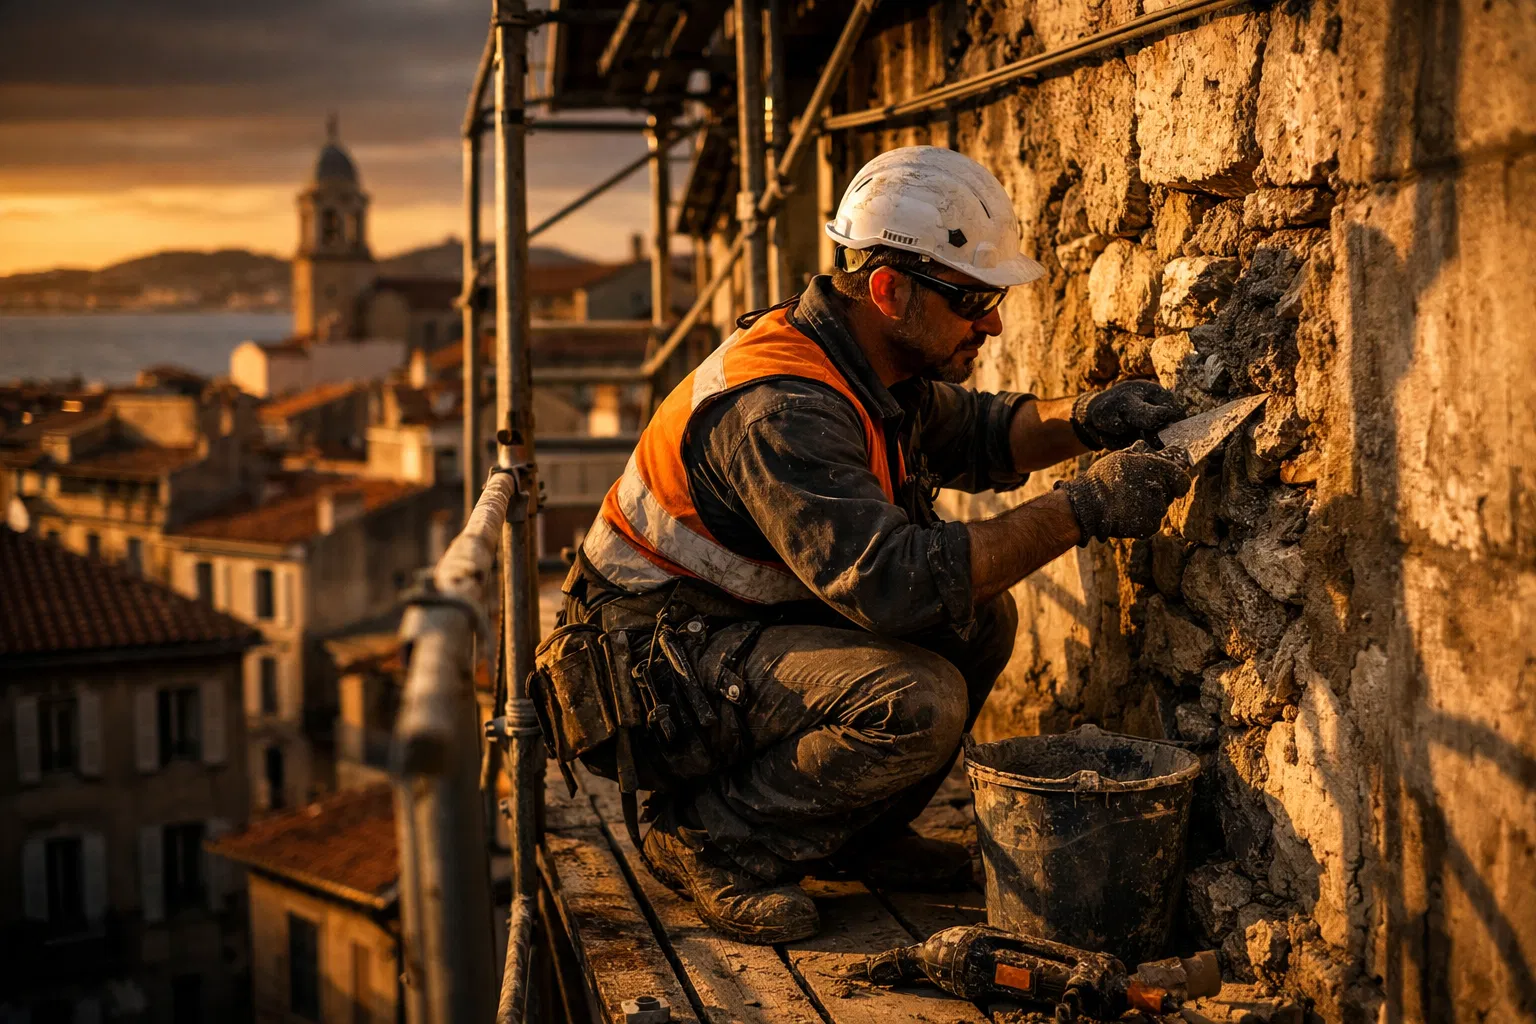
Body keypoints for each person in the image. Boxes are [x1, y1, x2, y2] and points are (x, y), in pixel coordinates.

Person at [533, 146, 1190, 944]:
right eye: (973, 300)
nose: (991, 323)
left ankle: (857, 835)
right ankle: (709, 838)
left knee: (980, 622)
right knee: (915, 700)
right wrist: (1083, 508)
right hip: (652, 678)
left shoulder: (864, 362)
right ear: (889, 290)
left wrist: (1085, 418)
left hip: (721, 630)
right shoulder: (783, 408)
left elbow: (980, 431)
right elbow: (894, 587)